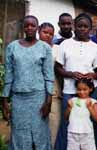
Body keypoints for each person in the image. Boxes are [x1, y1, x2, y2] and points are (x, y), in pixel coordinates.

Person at [2, 15, 54, 150]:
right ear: (23, 27)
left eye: (33, 25)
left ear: (37, 27)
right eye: (27, 25)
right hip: (18, 98)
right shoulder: (12, 47)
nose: (29, 28)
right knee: (19, 133)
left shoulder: (45, 48)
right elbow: (8, 74)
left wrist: (48, 101)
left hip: (39, 97)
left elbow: (49, 76)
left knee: (40, 133)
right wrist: (5, 101)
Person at [54, 13, 97, 150]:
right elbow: (57, 67)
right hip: (70, 90)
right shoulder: (65, 44)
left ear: (90, 29)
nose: (82, 29)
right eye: (79, 26)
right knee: (67, 122)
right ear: (75, 27)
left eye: (85, 27)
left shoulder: (95, 47)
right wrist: (70, 74)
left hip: (90, 91)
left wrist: (93, 75)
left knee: (90, 122)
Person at [38, 22, 61, 148]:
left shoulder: (57, 49)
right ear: (38, 32)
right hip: (35, 93)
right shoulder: (31, 47)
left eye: (51, 34)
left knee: (53, 126)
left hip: (54, 93)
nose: (48, 36)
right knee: (37, 126)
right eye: (45, 32)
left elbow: (60, 70)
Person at [65, 79, 97, 150]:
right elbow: (65, 117)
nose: (81, 92)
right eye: (79, 89)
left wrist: (90, 107)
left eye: (84, 89)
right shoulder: (72, 101)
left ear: (90, 89)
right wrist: (69, 108)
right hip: (73, 132)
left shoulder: (93, 102)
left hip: (87, 133)